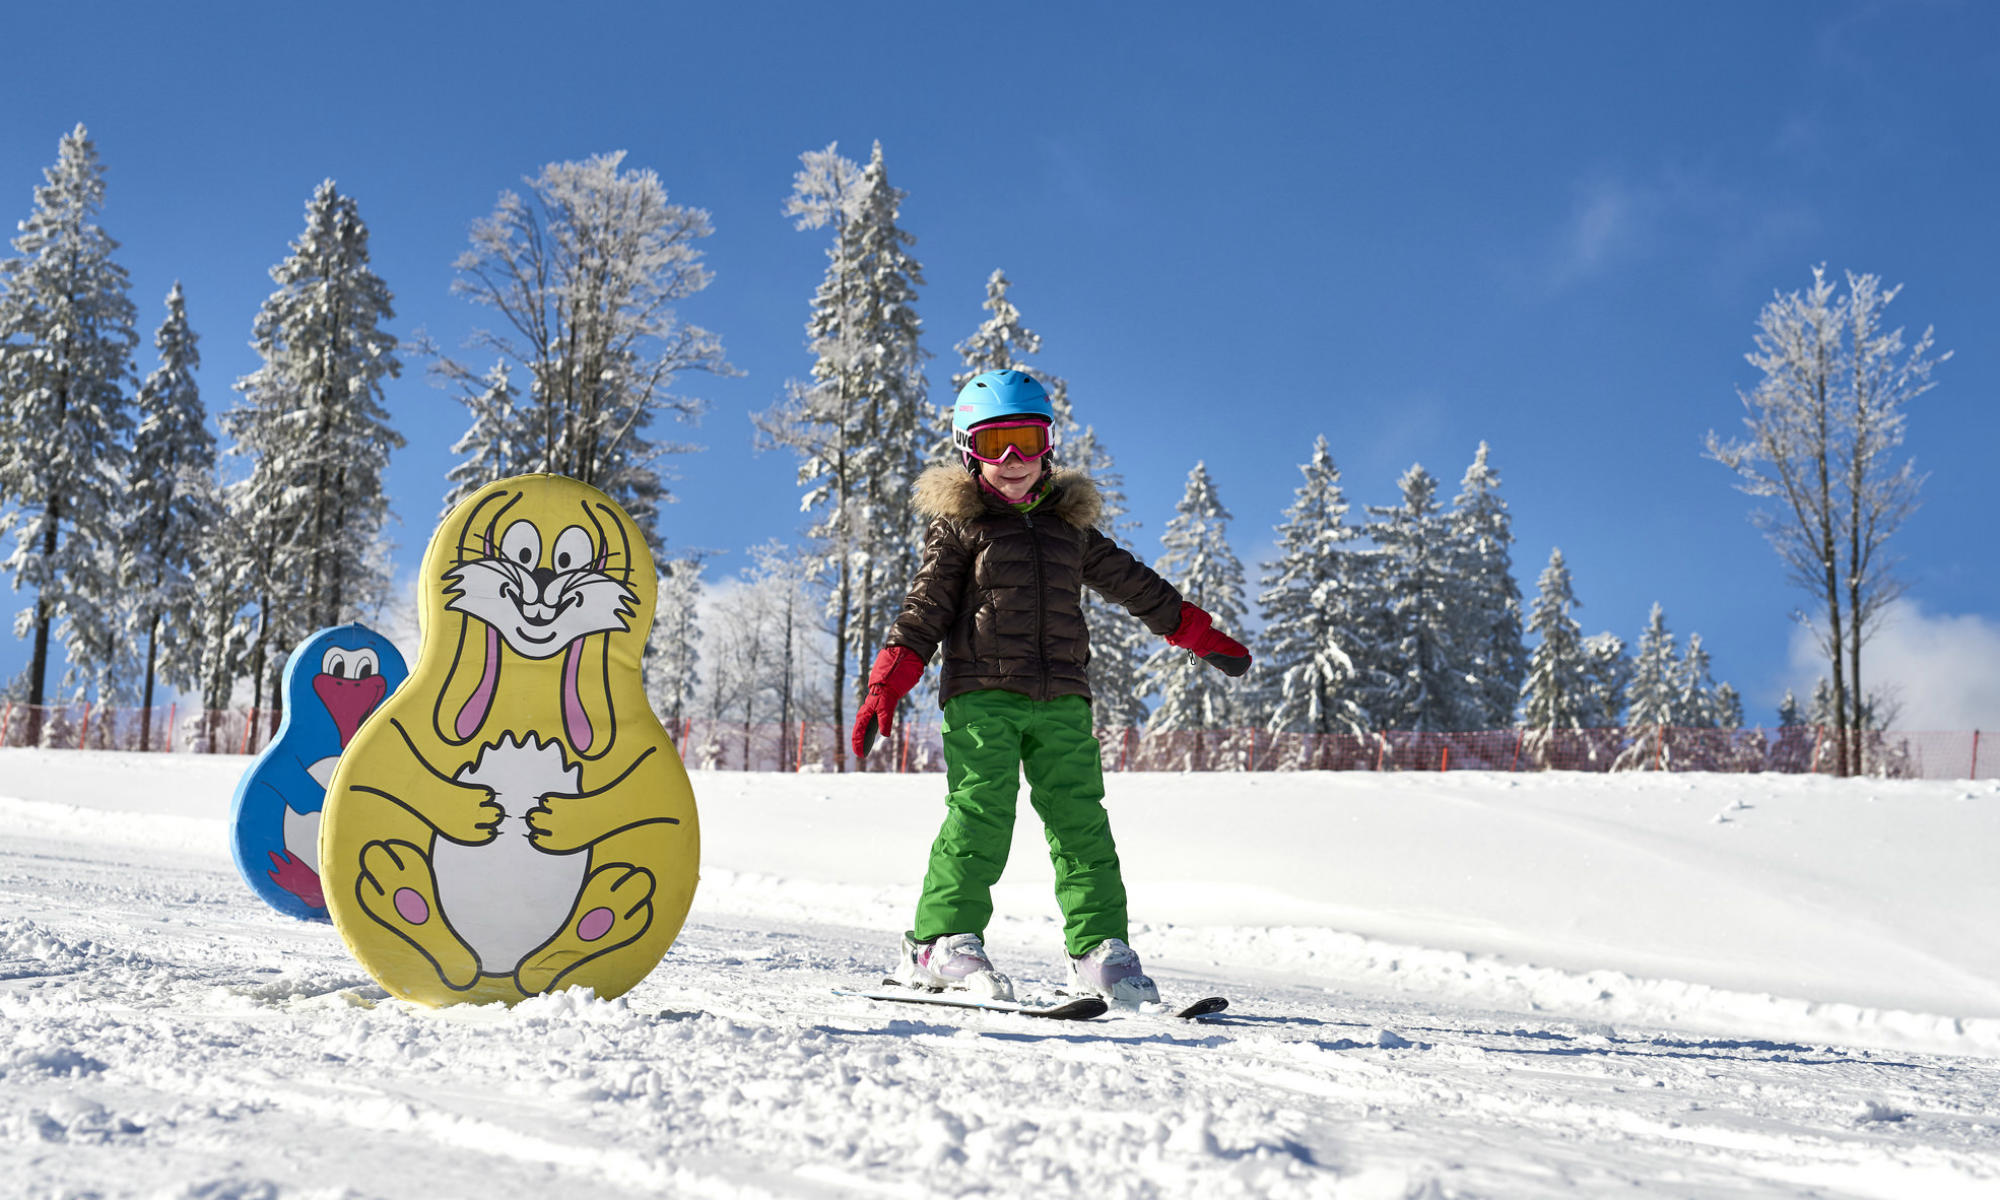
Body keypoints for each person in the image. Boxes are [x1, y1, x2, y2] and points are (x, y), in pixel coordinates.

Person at [850, 369, 1251, 1004]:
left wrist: (1197, 634)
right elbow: (923, 607)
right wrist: (887, 683)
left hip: (1063, 695)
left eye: (1027, 442)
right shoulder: (959, 527)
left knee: (1081, 821)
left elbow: (1135, 584)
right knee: (982, 811)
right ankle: (937, 943)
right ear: (967, 451)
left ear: (1050, 447)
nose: (1012, 462)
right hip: (980, 692)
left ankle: (1097, 953)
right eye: (994, 444)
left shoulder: (1070, 530)